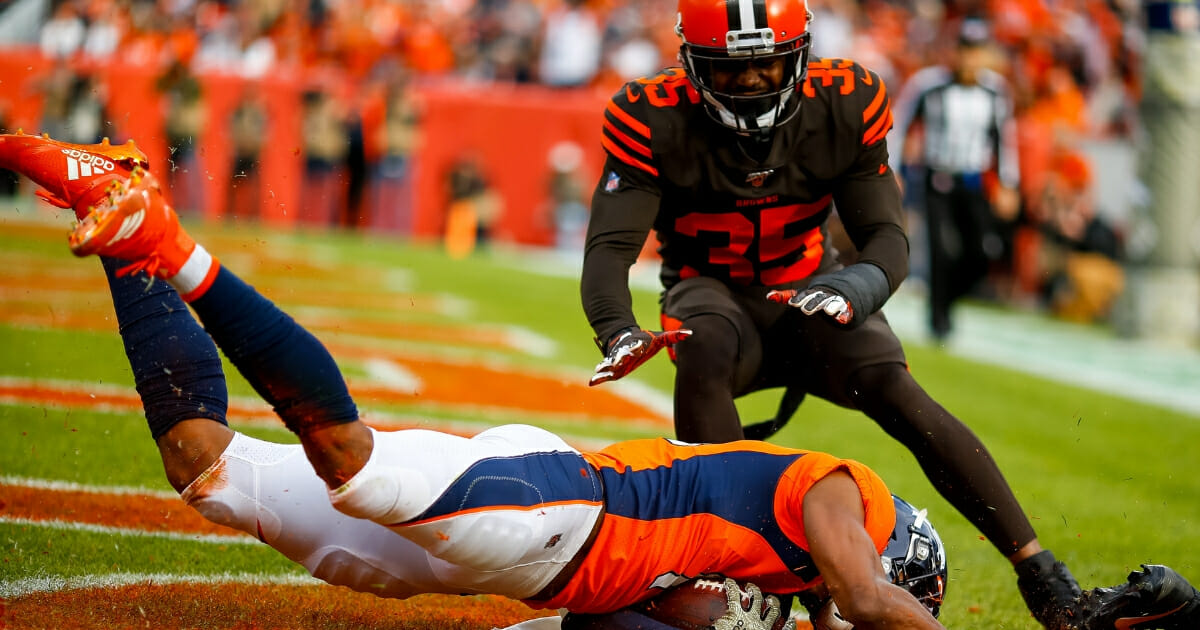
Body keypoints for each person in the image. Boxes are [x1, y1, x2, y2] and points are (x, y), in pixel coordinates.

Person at [0, 132, 949, 630]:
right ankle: (169, 245)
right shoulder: (840, 493)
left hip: (531, 570)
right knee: (354, 465)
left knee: (204, 469)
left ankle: (124, 219)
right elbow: (864, 601)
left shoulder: (782, 576)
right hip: (561, 509)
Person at [578, 2, 1067, 627]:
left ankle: (1043, 574)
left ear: (802, 53)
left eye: (768, 64)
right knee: (700, 343)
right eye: (731, 71)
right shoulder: (652, 115)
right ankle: (731, 572)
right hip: (712, 294)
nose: (753, 83)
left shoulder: (844, 99)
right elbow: (609, 250)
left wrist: (855, 289)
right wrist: (618, 330)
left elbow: (887, 237)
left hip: (812, 287)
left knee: (893, 386)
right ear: (691, 65)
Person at [887, 18, 1022, 341]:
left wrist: (1008, 183)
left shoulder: (995, 91)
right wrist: (893, 170)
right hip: (937, 179)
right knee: (941, 250)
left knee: (980, 252)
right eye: (964, 50)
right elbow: (900, 125)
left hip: (972, 181)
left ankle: (946, 300)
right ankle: (939, 321)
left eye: (975, 51)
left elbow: (1004, 139)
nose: (969, 59)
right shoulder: (929, 85)